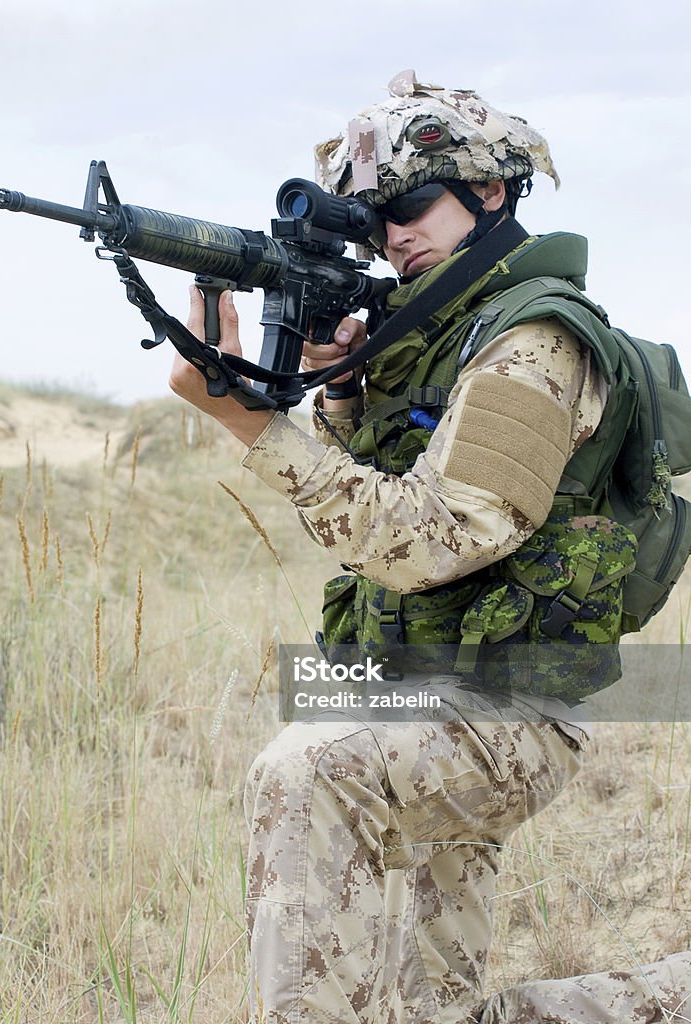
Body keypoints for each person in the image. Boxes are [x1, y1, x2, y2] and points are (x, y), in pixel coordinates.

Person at [168, 72, 691, 1023]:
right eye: (372, 220)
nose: (392, 234)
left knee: (308, 770)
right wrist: (337, 396)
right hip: (427, 677)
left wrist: (247, 420)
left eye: (411, 203)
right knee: (433, 1014)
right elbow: (383, 495)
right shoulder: (444, 334)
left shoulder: (533, 341)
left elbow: (429, 540)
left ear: (490, 193)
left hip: (513, 708)